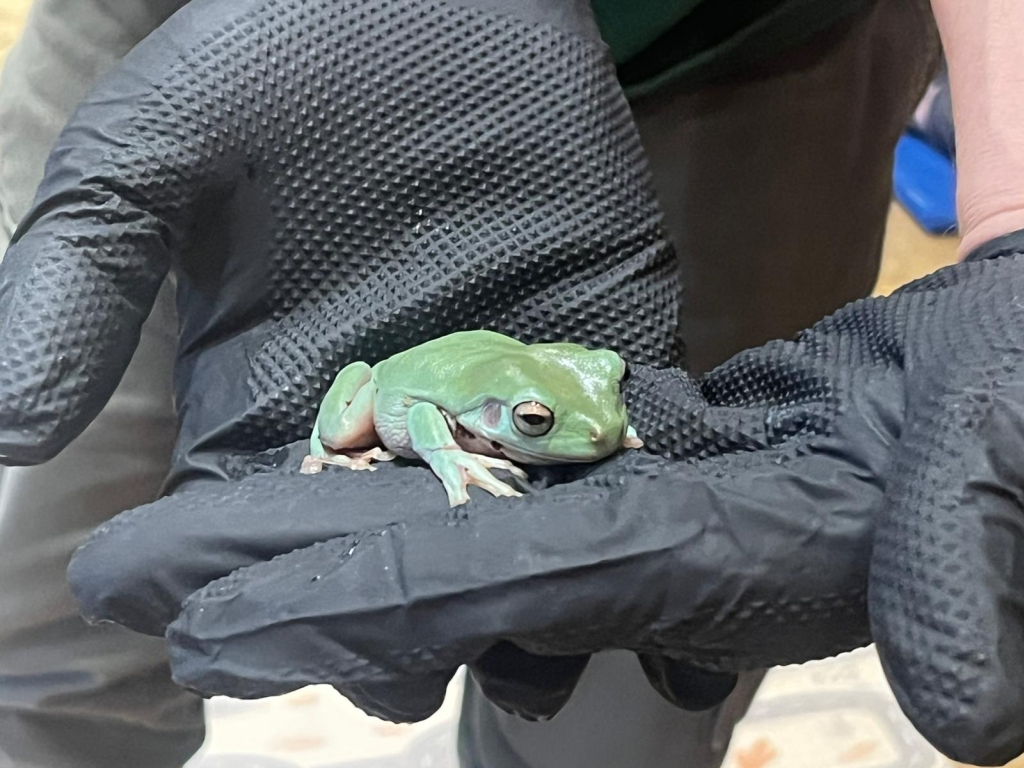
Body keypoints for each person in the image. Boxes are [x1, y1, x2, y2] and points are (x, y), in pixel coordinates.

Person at [2, 1, 1021, 768]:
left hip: (745, 43)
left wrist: (1009, 215)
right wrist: (440, 455)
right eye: (536, 424)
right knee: (46, 617)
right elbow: (412, 407)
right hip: (203, 31)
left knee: (630, 673)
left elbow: (585, 396)